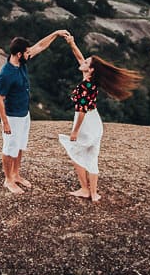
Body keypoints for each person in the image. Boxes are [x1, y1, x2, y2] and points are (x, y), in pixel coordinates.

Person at [57, 31, 143, 203]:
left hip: (85, 121)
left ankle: (84, 189)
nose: (83, 61)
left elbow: (81, 111)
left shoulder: (84, 86)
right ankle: (94, 193)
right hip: (95, 120)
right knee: (92, 154)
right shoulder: (91, 80)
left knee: (75, 153)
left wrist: (74, 131)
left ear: (91, 69)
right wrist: (72, 43)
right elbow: (80, 58)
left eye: (87, 62)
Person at [0, 30, 66, 194]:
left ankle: (16, 174)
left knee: (20, 146)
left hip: (24, 113)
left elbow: (40, 46)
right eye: (27, 52)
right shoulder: (5, 74)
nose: (30, 53)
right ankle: (8, 180)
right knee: (9, 148)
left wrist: (56, 34)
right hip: (12, 117)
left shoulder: (21, 62)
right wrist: (5, 122)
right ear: (19, 54)